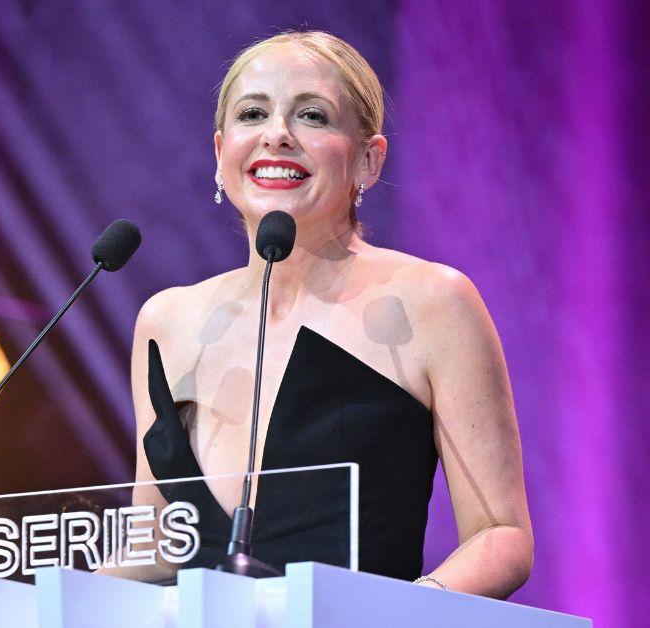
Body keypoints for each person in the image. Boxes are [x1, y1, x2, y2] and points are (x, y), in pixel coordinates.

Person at [130, 31, 532, 599]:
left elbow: (501, 534)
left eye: (312, 116)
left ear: (368, 161)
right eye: (253, 113)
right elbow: (155, 548)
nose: (276, 135)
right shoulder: (167, 321)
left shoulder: (433, 302)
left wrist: (399, 616)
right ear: (220, 154)